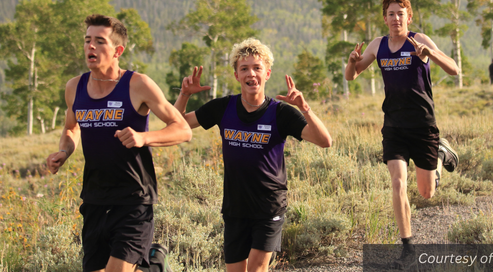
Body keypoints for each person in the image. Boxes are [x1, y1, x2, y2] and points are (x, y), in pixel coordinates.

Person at [46, 14, 192, 272]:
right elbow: (71, 127)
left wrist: (143, 137)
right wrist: (63, 151)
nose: (91, 46)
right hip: (94, 199)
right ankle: (154, 267)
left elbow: (182, 130)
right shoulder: (74, 87)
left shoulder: (138, 85)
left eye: (100, 41)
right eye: (87, 40)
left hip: (133, 199)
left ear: (117, 51)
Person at [174, 38, 332, 272]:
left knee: (257, 268)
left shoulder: (280, 113)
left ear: (267, 73)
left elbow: (324, 141)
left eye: (257, 68)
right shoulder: (222, 107)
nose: (251, 74)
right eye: (244, 68)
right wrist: (184, 95)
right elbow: (177, 125)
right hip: (235, 207)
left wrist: (304, 108)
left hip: (268, 208)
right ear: (236, 75)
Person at [345, 0, 459, 265]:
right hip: (394, 126)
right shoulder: (378, 45)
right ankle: (407, 245)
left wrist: (430, 54)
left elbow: (454, 69)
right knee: (398, 182)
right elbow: (352, 75)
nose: (396, 18)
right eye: (391, 14)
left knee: (426, 192)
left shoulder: (419, 40)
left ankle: (441, 154)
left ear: (409, 17)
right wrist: (352, 61)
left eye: (401, 14)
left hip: (422, 126)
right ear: (384, 19)